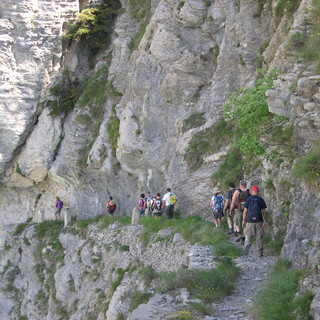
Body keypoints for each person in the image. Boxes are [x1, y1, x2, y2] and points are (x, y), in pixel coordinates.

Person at [242, 186, 268, 257]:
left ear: (251, 191)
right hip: (259, 221)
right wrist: (266, 221)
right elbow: (264, 212)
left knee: (248, 236)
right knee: (259, 238)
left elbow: (245, 211)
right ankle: (260, 252)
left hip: (250, 221)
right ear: (258, 191)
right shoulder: (261, 200)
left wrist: (244, 221)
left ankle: (246, 248)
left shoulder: (248, 199)